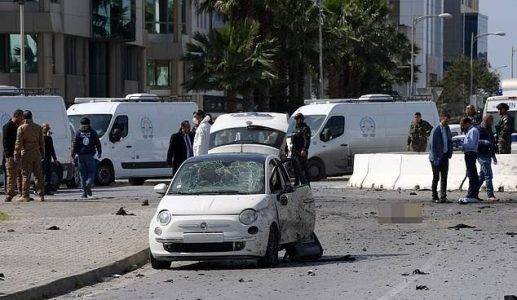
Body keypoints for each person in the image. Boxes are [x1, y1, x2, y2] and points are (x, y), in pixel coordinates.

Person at [14, 110, 45, 202]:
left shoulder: (21, 128)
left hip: (26, 153)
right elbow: (42, 142)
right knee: (38, 175)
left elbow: (18, 143)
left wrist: (16, 154)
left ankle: (25, 195)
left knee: (25, 175)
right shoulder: (38, 127)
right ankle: (41, 195)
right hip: (36, 153)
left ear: (24, 118)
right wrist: (42, 153)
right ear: (32, 117)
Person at [71, 117, 102, 198]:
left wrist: (73, 155)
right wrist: (99, 152)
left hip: (80, 156)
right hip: (90, 155)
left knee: (82, 174)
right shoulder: (93, 132)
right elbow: (97, 143)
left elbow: (74, 145)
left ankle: (84, 193)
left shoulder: (78, 133)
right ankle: (89, 182)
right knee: (91, 172)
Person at [428, 113, 453, 203]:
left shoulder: (447, 129)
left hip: (445, 156)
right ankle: (434, 196)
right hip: (436, 157)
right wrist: (435, 158)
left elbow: (450, 141)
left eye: (448, 121)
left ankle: (443, 196)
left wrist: (450, 153)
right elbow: (432, 145)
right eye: (446, 121)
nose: (447, 123)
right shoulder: (436, 130)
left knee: (444, 177)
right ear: (441, 119)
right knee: (436, 177)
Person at [2, 109, 24, 202]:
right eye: (21, 116)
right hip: (11, 155)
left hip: (17, 155)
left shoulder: (16, 126)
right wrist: (10, 156)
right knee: (12, 176)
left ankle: (21, 194)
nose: (22, 119)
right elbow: (6, 143)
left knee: (20, 175)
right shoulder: (9, 126)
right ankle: (9, 195)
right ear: (18, 116)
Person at [458, 117, 480, 204]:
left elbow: (470, 145)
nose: (463, 127)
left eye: (463, 125)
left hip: (470, 153)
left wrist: (462, 144)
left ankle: (472, 195)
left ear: (467, 123)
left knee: (472, 175)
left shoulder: (472, 131)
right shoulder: (470, 131)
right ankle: (473, 194)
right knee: (472, 174)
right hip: (469, 153)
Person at [477, 114, 498, 202]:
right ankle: (490, 195)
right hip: (482, 155)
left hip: (488, 155)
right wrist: (483, 142)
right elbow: (475, 141)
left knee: (482, 176)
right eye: (490, 120)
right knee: (488, 175)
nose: (492, 122)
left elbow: (492, 143)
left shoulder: (489, 130)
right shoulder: (478, 129)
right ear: (486, 120)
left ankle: (473, 192)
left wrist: (493, 156)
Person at [291, 113, 311, 184]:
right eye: (296, 120)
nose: (297, 121)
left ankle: (307, 184)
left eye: (298, 119)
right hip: (295, 152)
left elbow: (307, 140)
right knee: (296, 169)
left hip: (301, 152)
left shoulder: (305, 129)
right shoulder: (296, 129)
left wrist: (304, 149)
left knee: (304, 170)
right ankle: (297, 184)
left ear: (301, 119)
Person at [42, 123, 57, 195]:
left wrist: (55, 158)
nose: (48, 129)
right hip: (43, 157)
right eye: (46, 128)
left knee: (47, 174)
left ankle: (46, 189)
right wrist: (48, 137)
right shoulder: (43, 137)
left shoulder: (48, 137)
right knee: (44, 174)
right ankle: (43, 189)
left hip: (47, 157)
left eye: (48, 128)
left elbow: (51, 149)